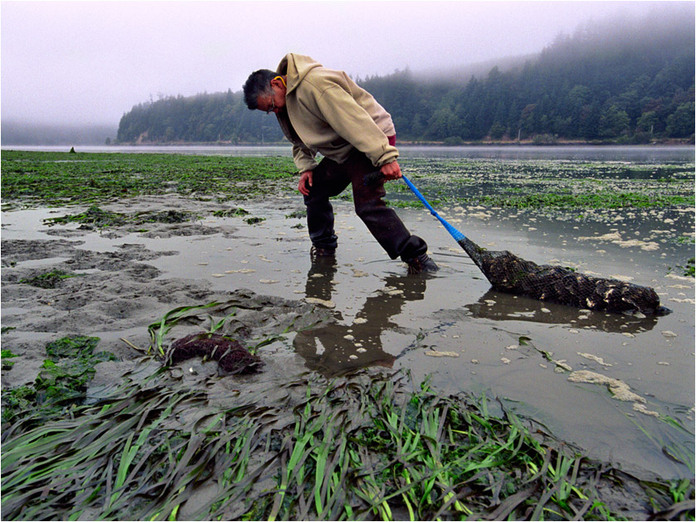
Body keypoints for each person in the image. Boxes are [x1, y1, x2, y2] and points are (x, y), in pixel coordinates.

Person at [242, 53, 438, 274]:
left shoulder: (315, 84)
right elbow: (298, 138)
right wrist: (306, 167)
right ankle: (323, 251)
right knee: (314, 188)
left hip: (371, 137)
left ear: (277, 83)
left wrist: (385, 157)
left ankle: (418, 259)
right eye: (268, 111)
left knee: (367, 204)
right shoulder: (285, 101)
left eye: (271, 106)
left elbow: (354, 120)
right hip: (344, 149)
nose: (274, 111)